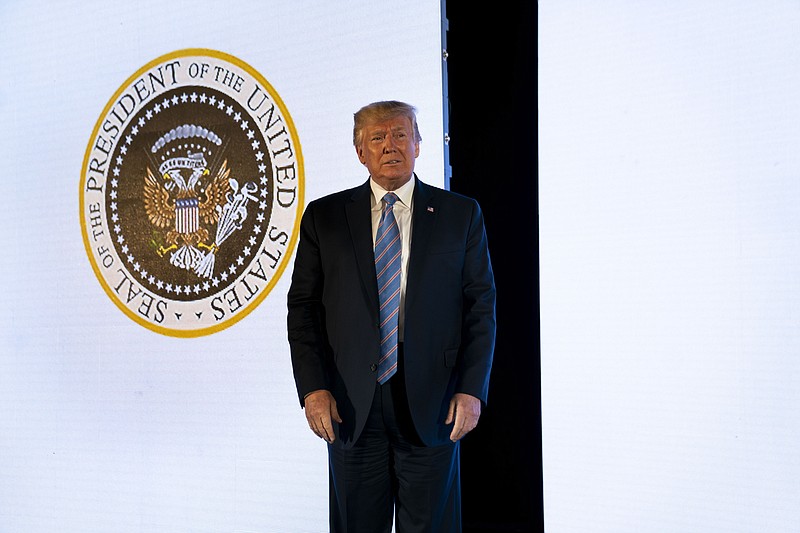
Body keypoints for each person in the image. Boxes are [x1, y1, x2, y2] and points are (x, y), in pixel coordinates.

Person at [287, 100, 496, 533]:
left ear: (418, 144)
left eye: (400, 135)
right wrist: (313, 388)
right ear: (360, 152)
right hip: (348, 403)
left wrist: (472, 389)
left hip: (434, 402)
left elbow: (481, 308)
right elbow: (303, 310)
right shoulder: (324, 218)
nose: (390, 146)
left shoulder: (461, 215)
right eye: (377, 138)